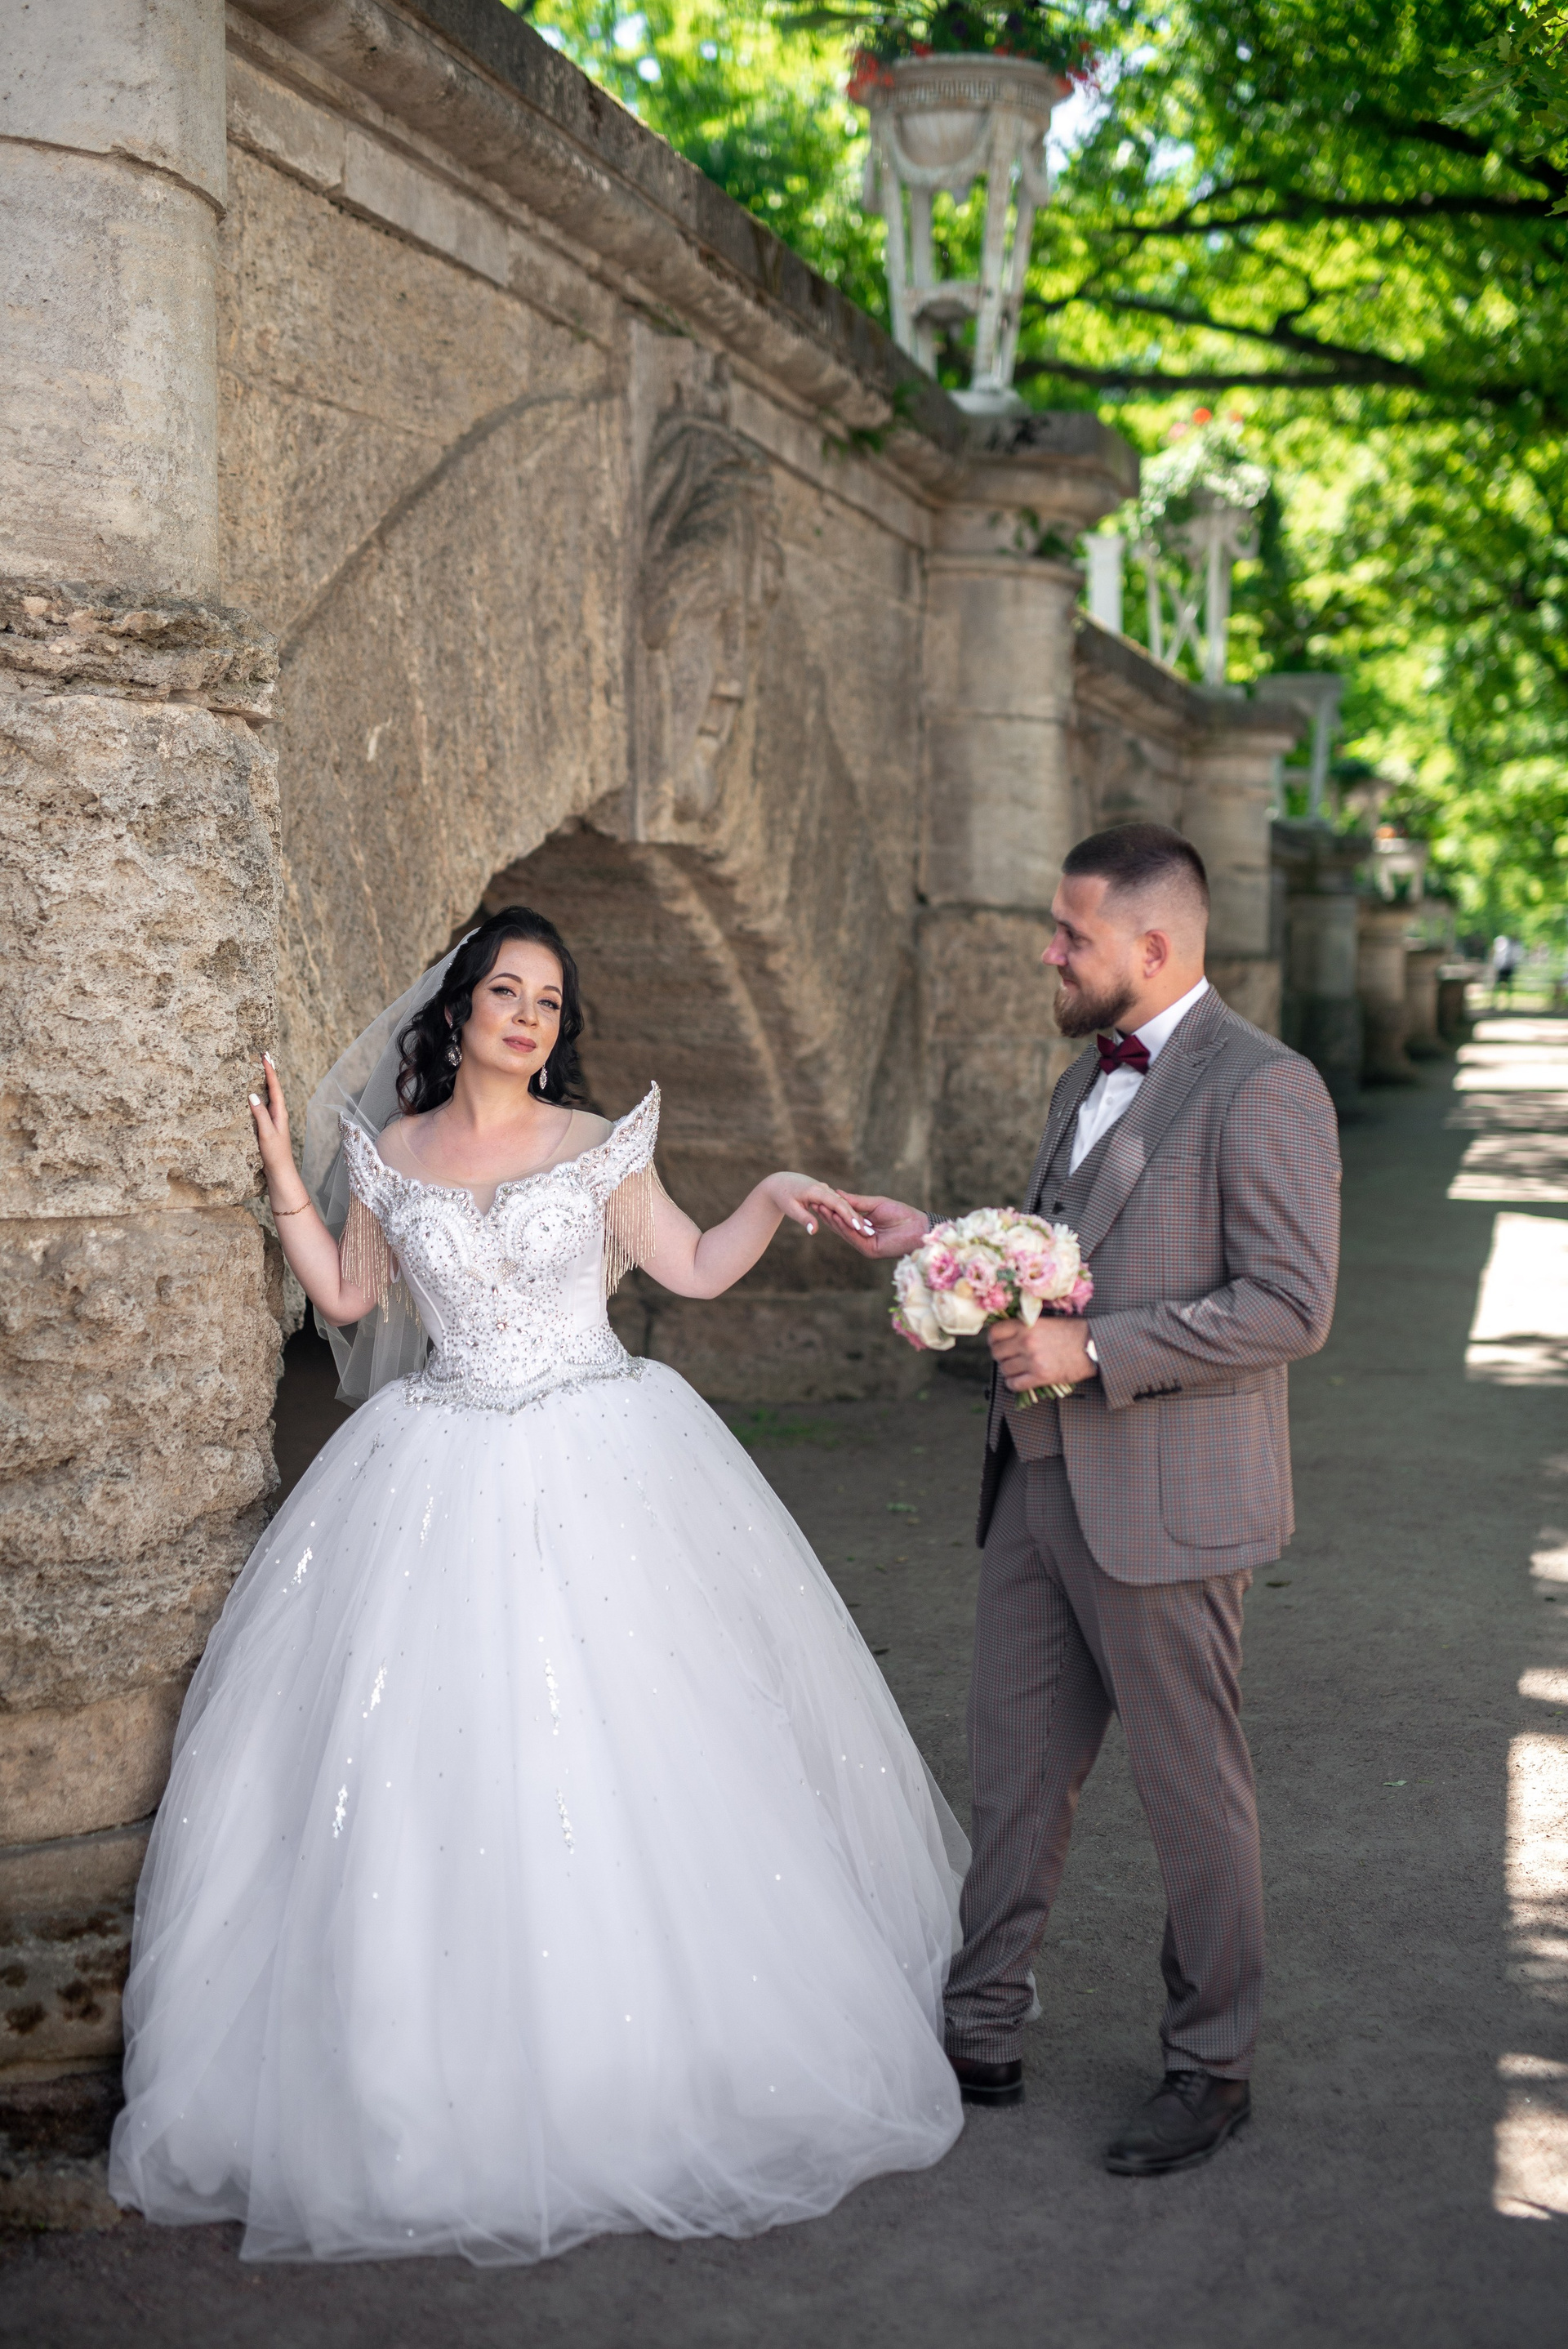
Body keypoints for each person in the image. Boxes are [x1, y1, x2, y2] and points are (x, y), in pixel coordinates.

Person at [109, 906, 968, 2264]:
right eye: (506, 992)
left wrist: (770, 1195)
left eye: (550, 1002)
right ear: (459, 1010)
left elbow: (690, 1266)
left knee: (630, 1739)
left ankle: (644, 2060)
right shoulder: (393, 1155)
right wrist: (282, 1169)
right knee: (433, 1759)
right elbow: (347, 1298)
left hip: (601, 1451)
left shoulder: (595, 1145)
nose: (527, 1017)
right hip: (437, 1460)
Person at [840, 822, 1340, 2176]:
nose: (1049, 953)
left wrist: (1097, 1351)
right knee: (1014, 1775)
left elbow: (1291, 1305)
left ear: (1153, 946)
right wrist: (939, 1247)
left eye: (1072, 935)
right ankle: (981, 2029)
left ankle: (1212, 2066)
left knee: (1191, 1794)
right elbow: (1057, 1258)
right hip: (1035, 1479)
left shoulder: (1267, 1087)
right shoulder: (1086, 1076)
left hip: (1168, 1500)